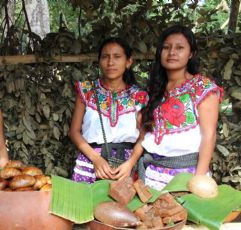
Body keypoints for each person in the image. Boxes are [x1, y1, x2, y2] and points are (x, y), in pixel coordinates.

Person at [139, 25, 223, 190]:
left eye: (180, 48)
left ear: (191, 54)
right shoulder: (155, 90)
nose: (172, 52)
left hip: (187, 175)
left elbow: (209, 136)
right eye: (166, 47)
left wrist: (198, 180)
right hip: (152, 175)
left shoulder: (202, 88)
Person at [70, 37, 148, 183]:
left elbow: (143, 137)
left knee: (125, 206)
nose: (110, 62)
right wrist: (95, 159)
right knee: (86, 205)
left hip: (126, 168)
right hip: (90, 163)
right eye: (105, 57)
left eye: (117, 57)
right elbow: (74, 132)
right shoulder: (87, 91)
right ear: (99, 61)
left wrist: (131, 163)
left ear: (128, 62)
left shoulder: (139, 96)